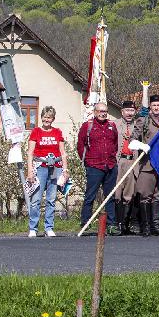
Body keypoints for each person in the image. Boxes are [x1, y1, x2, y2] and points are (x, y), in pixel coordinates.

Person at [76, 102, 121, 235]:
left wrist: (112, 159)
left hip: (111, 166)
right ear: (95, 112)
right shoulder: (87, 126)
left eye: (105, 111)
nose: (103, 113)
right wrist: (86, 161)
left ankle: (111, 225)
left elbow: (115, 144)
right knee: (90, 196)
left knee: (110, 197)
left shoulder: (112, 126)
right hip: (94, 166)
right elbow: (80, 145)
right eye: (100, 111)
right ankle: (86, 223)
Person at [26, 106, 68, 238]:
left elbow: (63, 153)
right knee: (36, 199)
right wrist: (30, 171)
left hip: (55, 167)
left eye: (49, 117)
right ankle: (33, 228)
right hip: (40, 167)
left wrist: (65, 170)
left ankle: (49, 227)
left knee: (51, 198)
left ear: (53, 119)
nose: (46, 119)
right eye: (44, 117)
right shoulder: (36, 132)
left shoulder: (57, 132)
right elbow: (30, 153)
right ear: (41, 117)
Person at [134, 94, 159, 236]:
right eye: (153, 105)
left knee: (158, 196)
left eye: (158, 105)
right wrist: (143, 146)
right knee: (145, 195)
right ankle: (146, 226)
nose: (156, 108)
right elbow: (133, 139)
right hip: (147, 163)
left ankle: (156, 226)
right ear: (150, 107)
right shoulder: (143, 121)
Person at [112, 99, 140, 234]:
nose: (129, 113)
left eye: (132, 111)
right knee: (117, 192)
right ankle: (118, 223)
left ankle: (127, 223)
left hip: (133, 161)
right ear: (122, 112)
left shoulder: (138, 125)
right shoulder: (114, 124)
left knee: (129, 193)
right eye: (127, 110)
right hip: (119, 161)